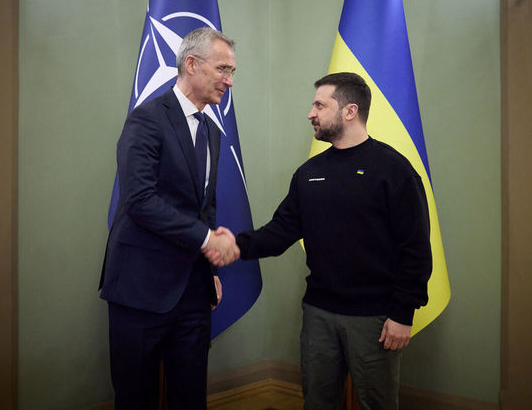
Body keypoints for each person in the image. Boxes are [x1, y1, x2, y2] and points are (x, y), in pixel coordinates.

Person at [206, 72, 432, 410]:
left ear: (350, 111)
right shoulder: (309, 172)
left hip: (375, 318)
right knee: (317, 401)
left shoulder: (394, 170)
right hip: (318, 314)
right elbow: (281, 231)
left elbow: (416, 249)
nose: (311, 113)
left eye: (320, 105)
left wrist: (403, 313)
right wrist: (236, 245)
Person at [99, 27, 240, 410]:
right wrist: (209, 240)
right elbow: (140, 200)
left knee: (190, 396)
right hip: (140, 287)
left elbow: (204, 206)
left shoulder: (211, 131)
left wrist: (211, 269)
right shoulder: (146, 120)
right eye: (223, 69)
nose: (229, 81)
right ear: (191, 64)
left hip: (193, 290)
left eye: (232, 72)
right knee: (136, 397)